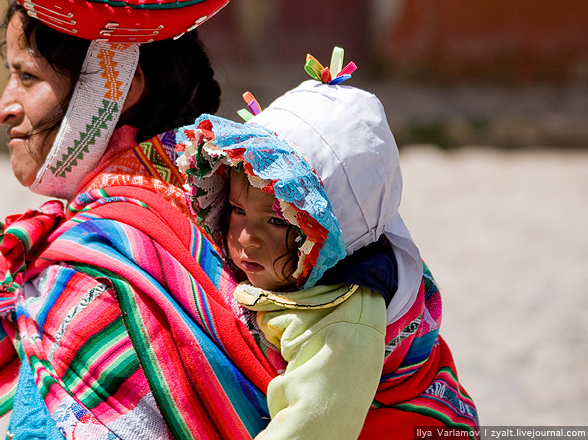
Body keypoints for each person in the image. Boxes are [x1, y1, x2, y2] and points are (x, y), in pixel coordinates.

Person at [0, 0, 278, 440]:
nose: (4, 108)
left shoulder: (90, 276)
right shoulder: (235, 205)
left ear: (116, 89)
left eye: (29, 78)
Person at [175, 49, 479, 439]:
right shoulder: (297, 271)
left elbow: (313, 426)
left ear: (334, 228)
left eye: (275, 220)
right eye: (236, 211)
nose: (246, 239)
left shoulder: (345, 318)